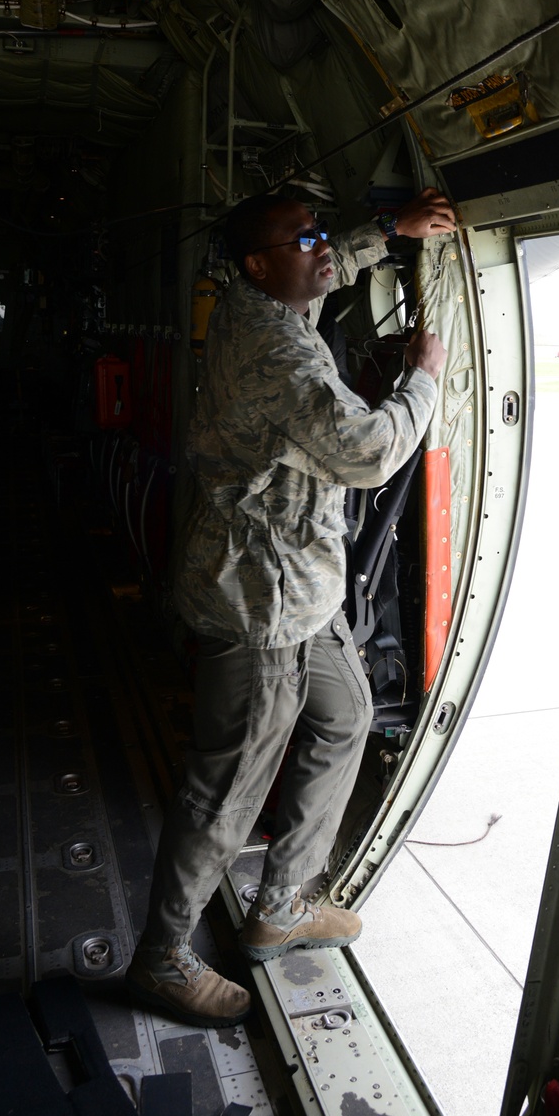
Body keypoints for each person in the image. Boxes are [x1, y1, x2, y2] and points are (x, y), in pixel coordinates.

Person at [127, 188, 456, 1027]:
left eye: (320, 235)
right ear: (256, 265)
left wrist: (390, 230)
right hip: (258, 600)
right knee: (229, 782)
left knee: (344, 721)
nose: (321, 249)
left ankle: (282, 903)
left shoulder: (263, 291)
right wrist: (423, 378)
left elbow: (320, 256)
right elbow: (371, 450)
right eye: (300, 239)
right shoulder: (277, 349)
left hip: (305, 588)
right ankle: (161, 959)